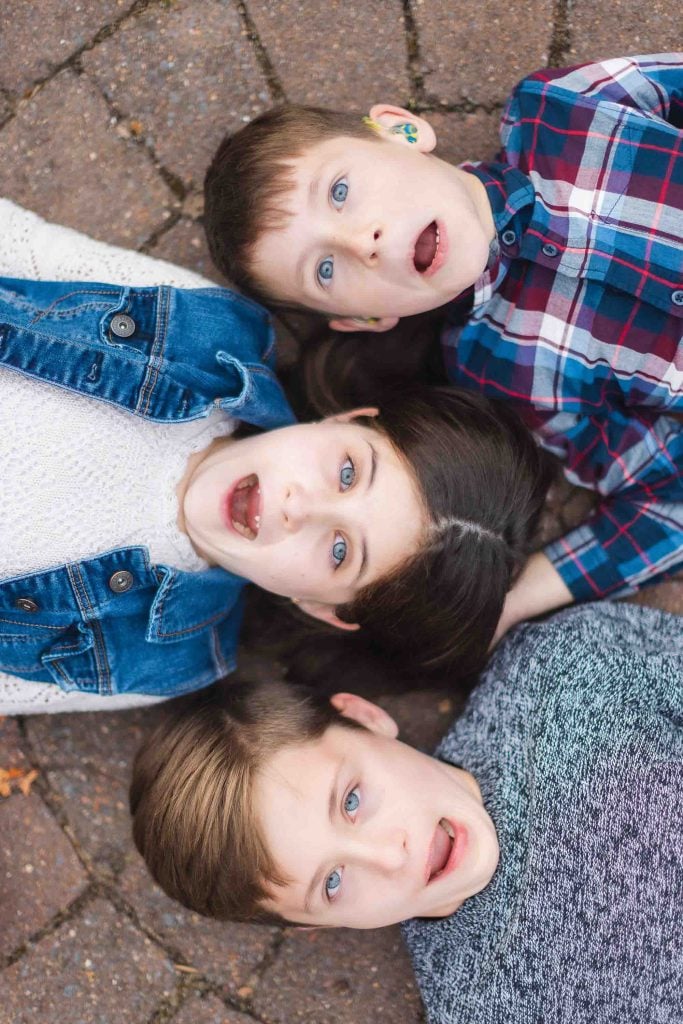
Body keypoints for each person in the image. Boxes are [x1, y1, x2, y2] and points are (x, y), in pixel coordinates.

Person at [203, 53, 683, 643]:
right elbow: (669, 496)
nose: (362, 241)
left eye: (341, 190)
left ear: (402, 131)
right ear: (367, 318)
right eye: (325, 270)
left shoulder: (565, 107)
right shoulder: (505, 373)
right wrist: (516, 600)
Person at [0, 201, 550, 713]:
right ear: (350, 421)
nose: (297, 508)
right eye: (348, 472)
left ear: (319, 607)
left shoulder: (160, 657)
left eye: (339, 552)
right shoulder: (202, 337)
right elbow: (23, 245)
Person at [130, 600, 683, 1022]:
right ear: (312, 926)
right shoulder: (479, 1001)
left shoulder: (562, 675)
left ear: (367, 718)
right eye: (333, 882)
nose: (389, 856)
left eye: (351, 801)